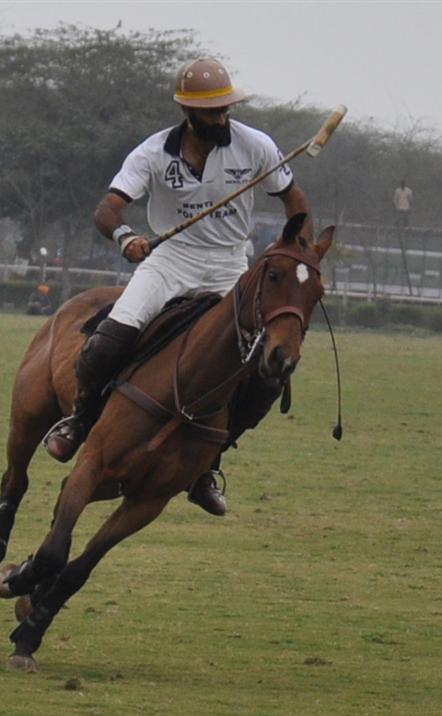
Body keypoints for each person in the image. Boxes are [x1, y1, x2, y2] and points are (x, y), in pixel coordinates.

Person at [43, 56, 311, 517]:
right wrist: (125, 237)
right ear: (188, 111)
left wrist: (298, 251)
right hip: (169, 262)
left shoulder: (256, 146)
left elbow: (295, 202)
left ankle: (209, 462)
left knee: (264, 374)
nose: (222, 119)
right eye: (211, 112)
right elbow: (107, 209)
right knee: (109, 340)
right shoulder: (152, 153)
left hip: (230, 268)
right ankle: (79, 420)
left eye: (225, 109)